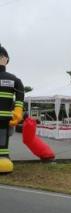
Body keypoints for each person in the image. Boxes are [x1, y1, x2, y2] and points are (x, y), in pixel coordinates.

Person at [0, 44, 24, 173]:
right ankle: (3, 157)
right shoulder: (13, 79)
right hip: (5, 117)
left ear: (5, 59)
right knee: (3, 137)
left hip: (5, 118)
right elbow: (20, 95)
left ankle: (3, 156)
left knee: (3, 137)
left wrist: (18, 111)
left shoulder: (13, 79)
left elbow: (20, 96)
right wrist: (18, 111)